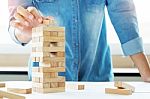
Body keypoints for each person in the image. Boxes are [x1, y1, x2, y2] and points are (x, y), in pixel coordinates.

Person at [8, 0, 150, 82]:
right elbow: (16, 24)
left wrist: (146, 73)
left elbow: (123, 14)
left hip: (97, 79)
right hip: (46, 81)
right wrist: (25, 30)